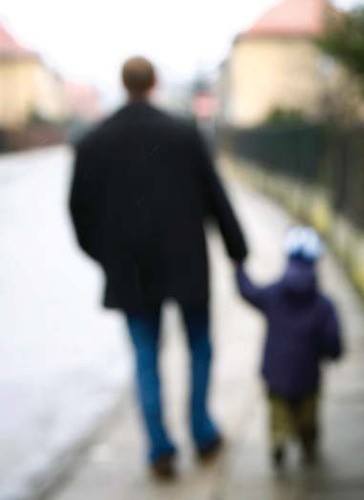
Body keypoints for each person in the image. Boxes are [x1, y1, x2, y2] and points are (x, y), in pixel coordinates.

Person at [68, 56, 248, 477]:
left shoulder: (94, 141)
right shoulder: (183, 134)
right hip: (186, 261)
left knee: (146, 358)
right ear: (153, 82)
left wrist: (103, 254)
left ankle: (160, 449)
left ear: (122, 83)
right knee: (199, 347)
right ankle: (202, 433)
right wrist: (237, 250)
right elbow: (215, 195)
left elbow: (78, 211)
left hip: (129, 268)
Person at [235, 227, 342, 467]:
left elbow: (248, 292)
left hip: (276, 374)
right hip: (308, 376)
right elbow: (333, 342)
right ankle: (308, 445)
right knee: (308, 417)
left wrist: (238, 267)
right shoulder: (323, 305)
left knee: (278, 414)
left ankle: (278, 441)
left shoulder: (273, 294)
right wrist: (331, 353)